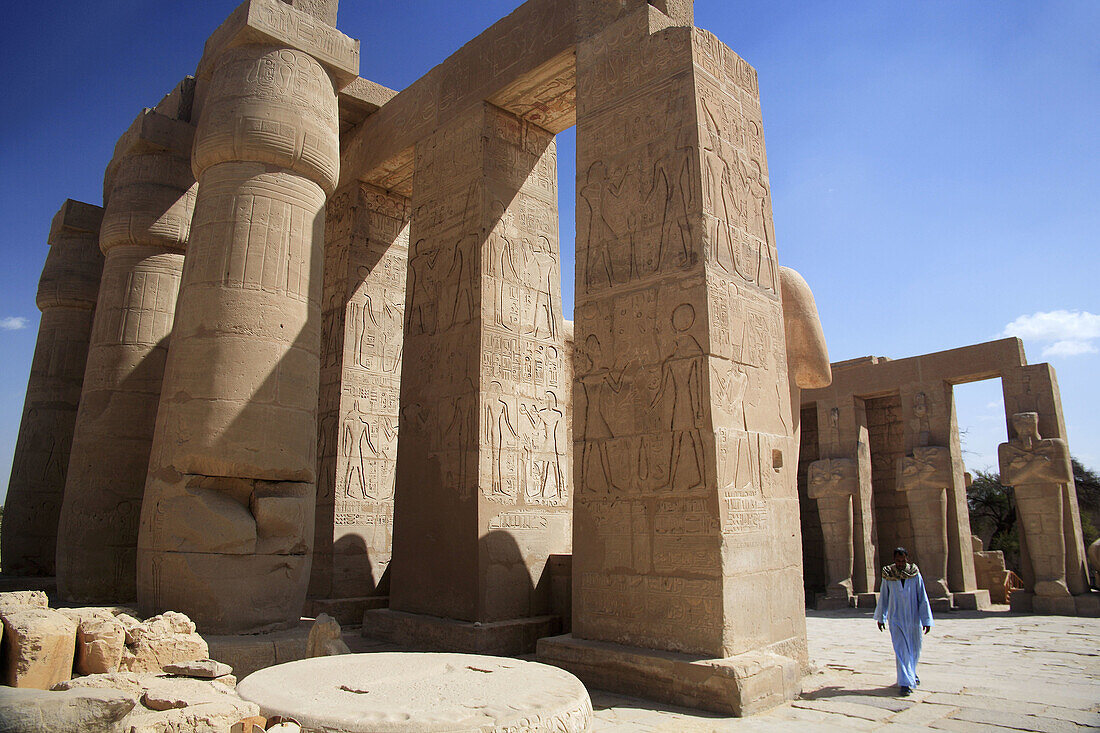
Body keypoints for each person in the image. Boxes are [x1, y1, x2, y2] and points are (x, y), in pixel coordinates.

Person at [874, 547, 933, 696]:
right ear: (894, 560)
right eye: (898, 561)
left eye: (902, 560)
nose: (900, 563)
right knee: (901, 650)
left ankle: (911, 673)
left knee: (914, 650)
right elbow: (884, 598)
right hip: (896, 618)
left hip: (913, 619)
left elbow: (922, 597)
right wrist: (881, 617)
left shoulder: (914, 574)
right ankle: (905, 683)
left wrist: (926, 619)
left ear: (907, 559)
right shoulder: (888, 575)